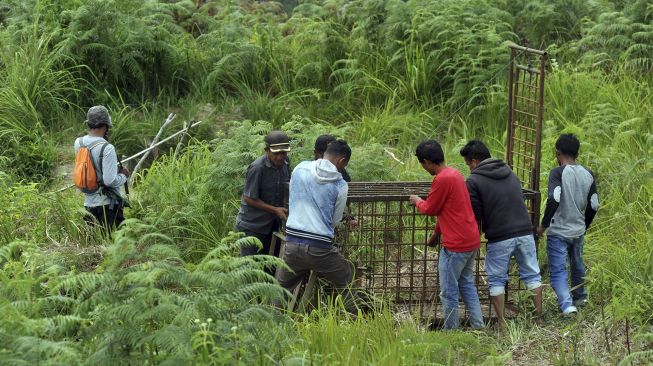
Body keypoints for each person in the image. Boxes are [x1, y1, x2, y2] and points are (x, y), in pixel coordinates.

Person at [459, 140, 543, 326]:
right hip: (524, 232)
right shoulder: (510, 174)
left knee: (496, 279)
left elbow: (476, 213)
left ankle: (502, 323)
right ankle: (538, 318)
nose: (468, 169)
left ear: (473, 161)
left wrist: (475, 236)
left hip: (499, 237)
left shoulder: (473, 181)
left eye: (467, 164)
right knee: (532, 275)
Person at [408, 140, 484, 330]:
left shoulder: (442, 179)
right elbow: (448, 211)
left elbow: (431, 208)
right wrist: (435, 235)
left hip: (456, 245)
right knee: (466, 285)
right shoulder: (456, 174)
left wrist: (417, 201)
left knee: (448, 291)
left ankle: (452, 331)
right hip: (471, 240)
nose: (424, 169)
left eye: (422, 165)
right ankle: (478, 326)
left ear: (426, 161)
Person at [276, 140, 356, 309]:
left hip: (292, 243)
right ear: (341, 161)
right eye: (344, 164)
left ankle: (272, 319)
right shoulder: (340, 184)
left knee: (282, 289)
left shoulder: (299, 168)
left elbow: (294, 196)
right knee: (346, 276)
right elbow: (335, 221)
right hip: (319, 248)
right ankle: (354, 317)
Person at [537, 134, 599, 316]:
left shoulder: (557, 173)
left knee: (558, 270)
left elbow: (554, 198)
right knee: (577, 265)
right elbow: (594, 204)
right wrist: (584, 225)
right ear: (576, 153)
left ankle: (567, 305)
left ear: (558, 153)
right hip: (578, 231)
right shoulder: (588, 173)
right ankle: (580, 297)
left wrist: (543, 225)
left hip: (558, 231)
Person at [74, 105, 130, 234]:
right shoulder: (107, 148)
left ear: (89, 124)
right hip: (108, 207)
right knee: (115, 246)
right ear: (106, 125)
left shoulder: (79, 143)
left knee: (96, 247)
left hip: (88, 205)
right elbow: (109, 181)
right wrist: (124, 176)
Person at [236, 131, 291, 257]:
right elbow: (248, 198)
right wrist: (275, 210)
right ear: (267, 150)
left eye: (283, 153)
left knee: (271, 266)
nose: (280, 157)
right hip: (252, 226)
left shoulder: (285, 164)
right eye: (276, 153)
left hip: (272, 226)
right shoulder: (257, 168)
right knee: (250, 268)